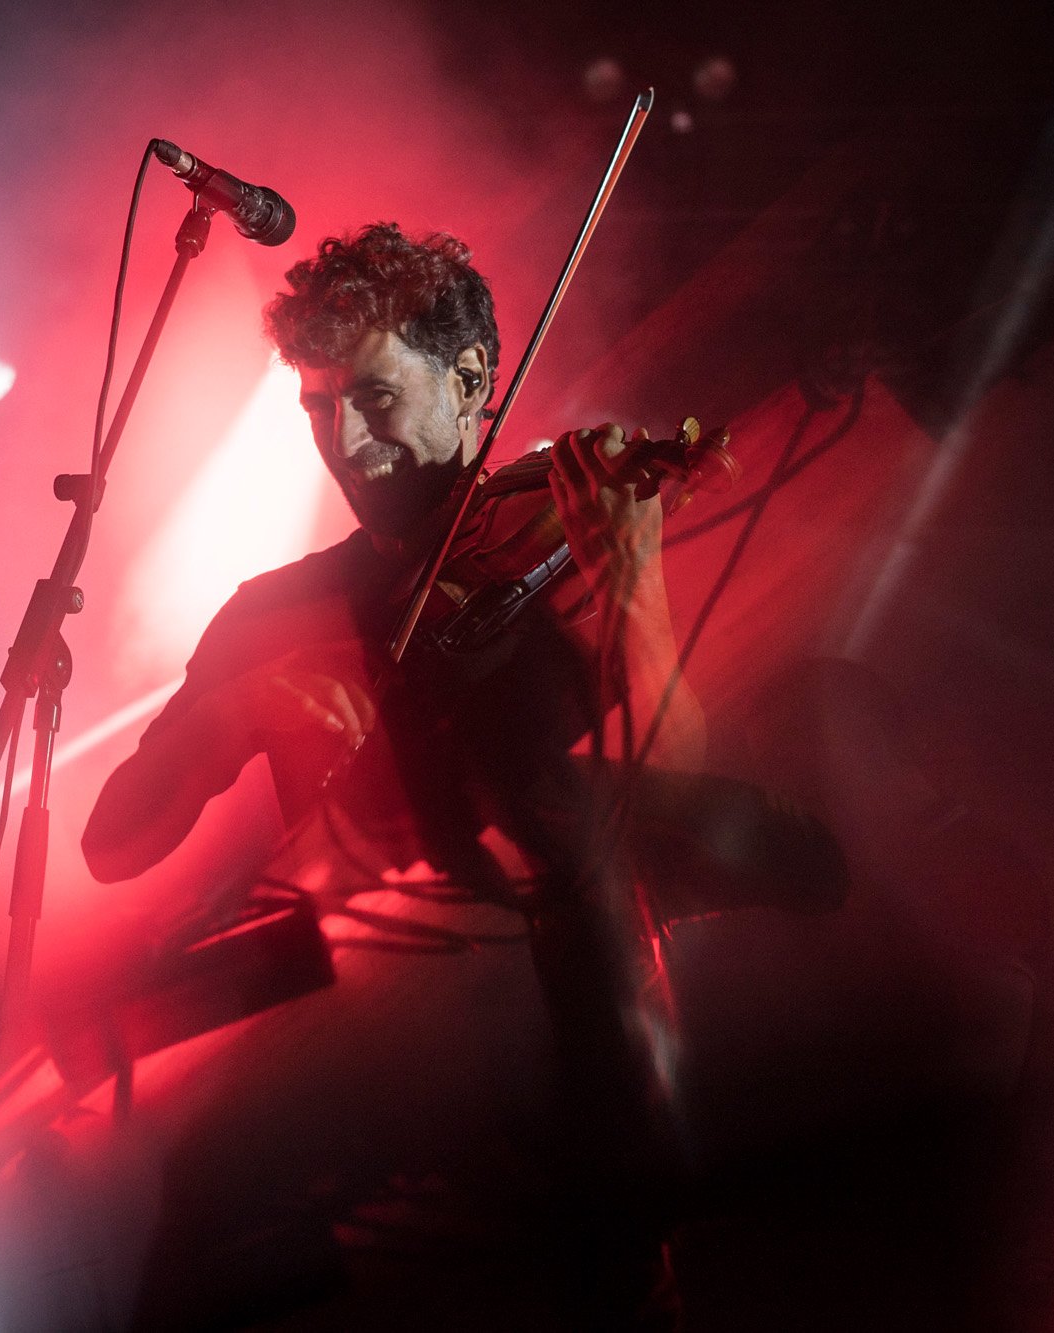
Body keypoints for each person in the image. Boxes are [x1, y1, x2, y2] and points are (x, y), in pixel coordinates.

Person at [81, 224, 709, 1327]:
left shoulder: (570, 541)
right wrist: (237, 705)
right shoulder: (271, 615)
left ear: (471, 379)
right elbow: (112, 843)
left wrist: (636, 590)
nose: (343, 441)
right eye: (316, 407)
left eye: (370, 397)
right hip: (368, 1115)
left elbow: (691, 806)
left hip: (578, 1097)